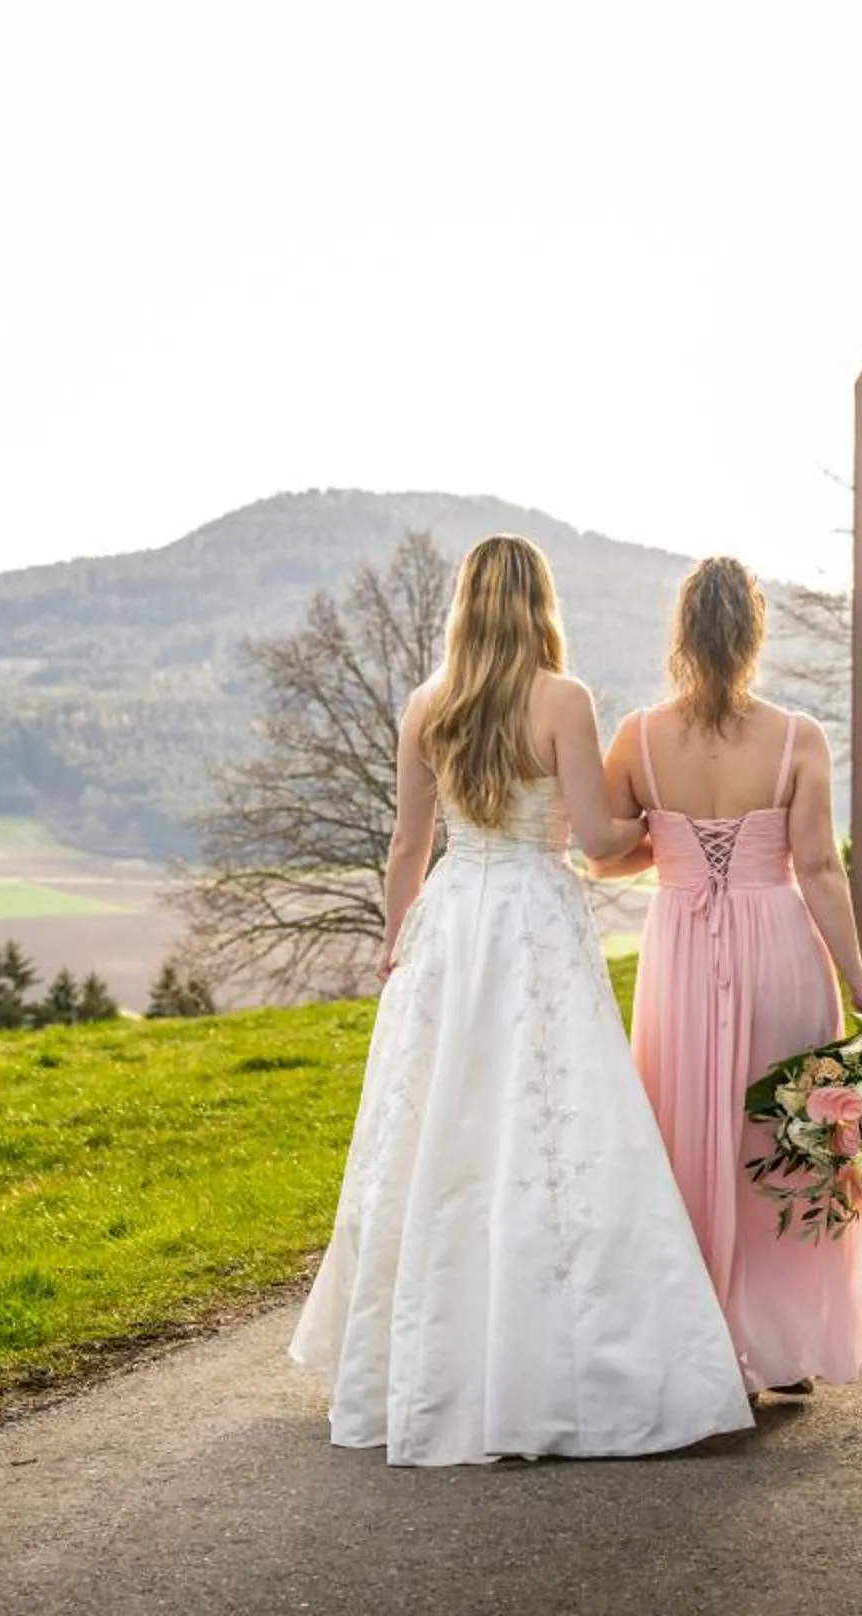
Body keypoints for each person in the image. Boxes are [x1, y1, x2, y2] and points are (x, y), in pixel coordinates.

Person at [290, 534, 754, 1465]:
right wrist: (661, 821)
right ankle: (566, 1358)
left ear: (464, 603)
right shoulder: (562, 700)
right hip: (534, 917)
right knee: (553, 1119)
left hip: (455, 920)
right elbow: (594, 833)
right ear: (541, 601)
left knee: (442, 1125)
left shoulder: (429, 705)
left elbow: (404, 849)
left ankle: (426, 1357)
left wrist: (396, 938)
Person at [601, 555, 862, 1395]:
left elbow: (606, 852)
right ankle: (785, 1343)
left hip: (683, 947)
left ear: (683, 634)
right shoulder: (798, 737)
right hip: (780, 943)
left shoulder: (638, 737)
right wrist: (861, 981)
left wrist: (673, 847)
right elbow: (821, 871)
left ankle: (698, 1338)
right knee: (785, 1135)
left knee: (688, 1130)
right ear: (755, 634)